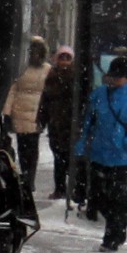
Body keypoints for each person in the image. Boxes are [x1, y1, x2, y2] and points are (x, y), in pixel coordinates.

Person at [81, 54, 127, 253]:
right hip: (99, 154)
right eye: (112, 76)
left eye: (118, 76)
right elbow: (88, 122)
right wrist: (83, 143)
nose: (114, 80)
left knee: (115, 198)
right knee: (100, 197)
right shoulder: (98, 95)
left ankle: (111, 237)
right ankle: (118, 228)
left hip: (121, 158)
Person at [1, 36, 48, 229]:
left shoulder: (47, 70)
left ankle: (30, 177)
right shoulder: (21, 69)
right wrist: (7, 112)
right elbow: (12, 90)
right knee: (23, 147)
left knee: (33, 148)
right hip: (22, 111)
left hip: (37, 112)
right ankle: (27, 177)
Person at [39, 44, 79, 200]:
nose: (64, 61)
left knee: (70, 158)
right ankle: (60, 188)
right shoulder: (52, 76)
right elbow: (45, 100)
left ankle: (72, 189)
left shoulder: (75, 76)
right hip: (56, 123)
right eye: (62, 57)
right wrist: (42, 119)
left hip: (70, 123)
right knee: (58, 158)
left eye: (67, 58)